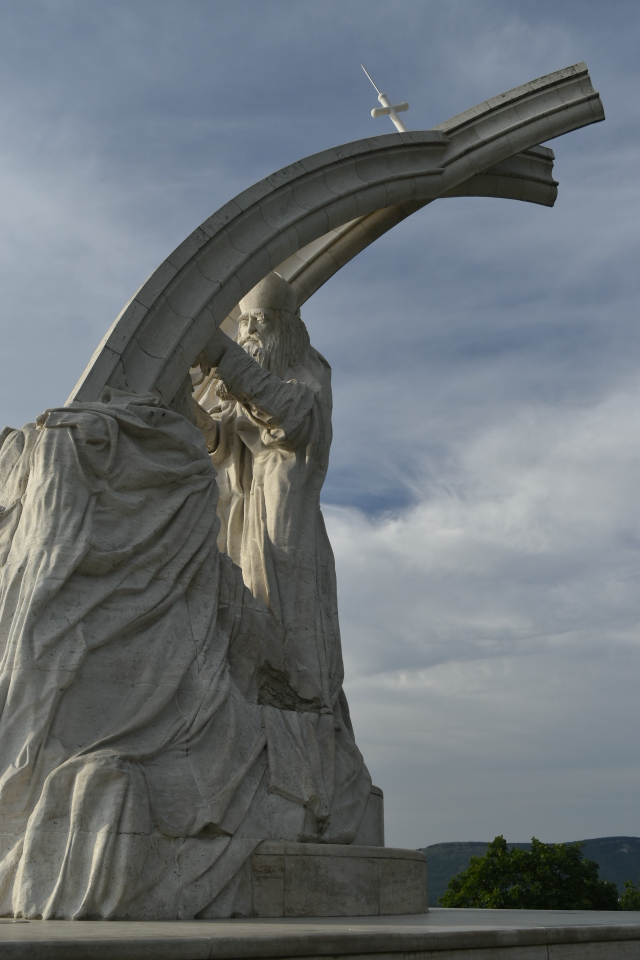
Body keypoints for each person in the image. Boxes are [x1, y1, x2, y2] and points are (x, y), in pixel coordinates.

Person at [196, 273, 371, 843]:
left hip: (288, 535)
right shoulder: (240, 389)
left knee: (296, 656)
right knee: (239, 644)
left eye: (259, 322)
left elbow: (288, 419)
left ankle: (310, 780)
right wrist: (185, 400)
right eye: (243, 323)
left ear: (287, 329)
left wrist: (219, 353)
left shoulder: (307, 380)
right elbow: (219, 443)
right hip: (237, 526)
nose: (249, 331)